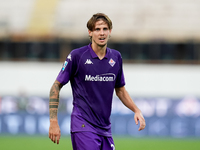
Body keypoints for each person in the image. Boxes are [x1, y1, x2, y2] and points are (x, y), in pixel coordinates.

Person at [48, 13, 146, 150]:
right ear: (90, 32)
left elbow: (120, 90)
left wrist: (136, 110)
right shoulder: (77, 56)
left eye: (105, 29)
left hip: (105, 128)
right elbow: (55, 86)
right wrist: (53, 121)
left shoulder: (116, 57)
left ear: (110, 31)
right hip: (82, 125)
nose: (102, 33)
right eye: (97, 29)